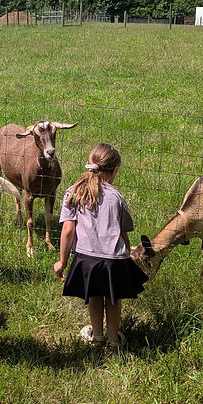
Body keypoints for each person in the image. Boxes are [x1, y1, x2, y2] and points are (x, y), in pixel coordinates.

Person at [53, 144, 147, 349]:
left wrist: (62, 261)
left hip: (87, 260)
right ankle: (114, 340)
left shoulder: (73, 193)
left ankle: (97, 336)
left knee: (94, 296)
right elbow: (123, 234)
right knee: (113, 300)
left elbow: (68, 230)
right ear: (114, 171)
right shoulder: (116, 197)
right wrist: (127, 255)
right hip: (114, 260)